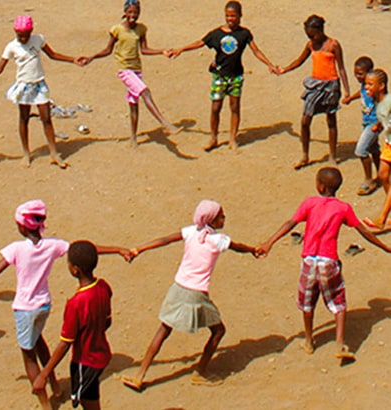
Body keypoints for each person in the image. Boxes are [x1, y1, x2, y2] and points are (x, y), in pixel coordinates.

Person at [0, 200, 131, 409]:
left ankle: (44, 401)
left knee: (29, 355)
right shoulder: (53, 245)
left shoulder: (16, 249)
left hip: (24, 309)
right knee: (38, 341)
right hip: (44, 305)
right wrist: (117, 249)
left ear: (21, 226)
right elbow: (83, 250)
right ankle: (55, 385)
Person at [121, 199, 259, 392]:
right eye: (221, 216)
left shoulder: (191, 231)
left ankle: (139, 376)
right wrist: (254, 250)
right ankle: (200, 372)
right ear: (212, 220)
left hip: (177, 288)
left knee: (163, 330)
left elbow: (165, 240)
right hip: (196, 295)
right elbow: (239, 247)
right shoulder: (218, 240)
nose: (224, 218)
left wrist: (139, 249)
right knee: (219, 331)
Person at [258, 167, 391, 360]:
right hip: (329, 261)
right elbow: (364, 231)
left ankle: (309, 341)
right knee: (338, 302)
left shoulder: (309, 203)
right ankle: (339, 344)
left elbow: (290, 224)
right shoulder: (343, 208)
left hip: (309, 260)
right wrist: (385, 247)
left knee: (307, 302)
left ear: (319, 186)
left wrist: (269, 242)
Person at [0, 15, 80, 168]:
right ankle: (26, 153)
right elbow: (0, 67)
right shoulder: (12, 47)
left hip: (40, 84)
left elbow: (52, 55)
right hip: (24, 86)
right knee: (24, 118)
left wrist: (72, 59)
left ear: (31, 31)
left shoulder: (38, 39)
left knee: (47, 118)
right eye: (19, 36)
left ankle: (54, 153)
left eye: (25, 35)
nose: (22, 39)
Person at [169, 1, 278, 151]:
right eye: (227, 16)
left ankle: (232, 139)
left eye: (233, 16)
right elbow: (200, 43)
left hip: (236, 76)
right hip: (219, 75)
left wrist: (269, 64)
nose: (230, 19)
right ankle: (213, 138)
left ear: (240, 15)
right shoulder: (217, 34)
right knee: (215, 108)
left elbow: (256, 51)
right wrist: (181, 49)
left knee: (234, 107)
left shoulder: (244, 34)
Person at [78, 0, 182, 148]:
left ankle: (133, 138)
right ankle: (164, 123)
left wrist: (161, 51)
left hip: (136, 70)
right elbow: (108, 50)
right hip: (124, 70)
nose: (133, 15)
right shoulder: (117, 30)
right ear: (125, 13)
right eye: (130, 12)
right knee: (145, 92)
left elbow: (144, 50)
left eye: (136, 12)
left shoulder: (141, 29)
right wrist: (91, 57)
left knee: (134, 104)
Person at [32, 241, 113, 409]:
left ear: (75, 270)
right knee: (90, 395)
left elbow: (65, 343)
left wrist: (44, 374)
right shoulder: (104, 286)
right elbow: (107, 321)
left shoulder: (76, 304)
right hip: (102, 353)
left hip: (85, 361)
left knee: (89, 402)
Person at [278, 15, 350, 169]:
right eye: (309, 35)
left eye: (313, 34)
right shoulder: (310, 45)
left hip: (331, 86)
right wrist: (284, 69)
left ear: (321, 30)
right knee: (305, 120)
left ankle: (332, 156)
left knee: (331, 120)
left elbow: (341, 68)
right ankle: (305, 155)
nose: (311, 38)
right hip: (315, 86)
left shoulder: (333, 45)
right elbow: (299, 61)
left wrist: (347, 91)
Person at [342, 57, 381, 195]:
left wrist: (379, 123)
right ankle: (383, 174)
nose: (357, 77)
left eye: (360, 74)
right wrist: (351, 98)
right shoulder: (365, 85)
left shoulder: (375, 87)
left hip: (374, 123)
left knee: (361, 150)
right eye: (356, 74)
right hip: (366, 122)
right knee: (374, 149)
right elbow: (362, 93)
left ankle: (368, 180)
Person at [362, 69, 391, 229]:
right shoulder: (379, 103)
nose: (367, 87)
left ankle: (382, 217)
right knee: (382, 175)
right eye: (366, 84)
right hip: (389, 143)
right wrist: (379, 125)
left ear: (381, 86)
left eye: (370, 84)